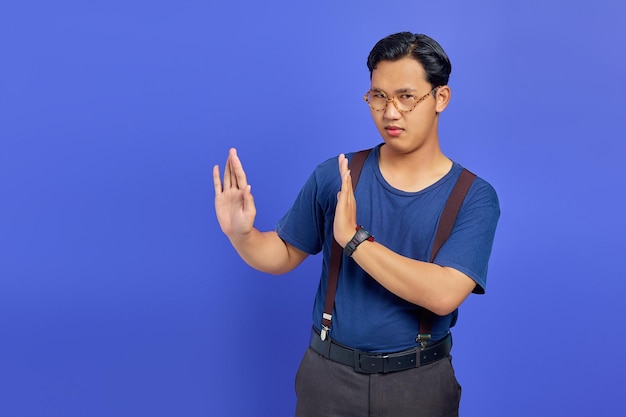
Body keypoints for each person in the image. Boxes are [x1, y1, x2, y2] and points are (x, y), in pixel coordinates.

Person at [213, 32, 500, 417]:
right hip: (328, 376)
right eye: (378, 96)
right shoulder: (336, 175)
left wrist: (354, 240)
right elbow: (281, 254)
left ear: (440, 99)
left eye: (406, 97)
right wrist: (241, 233)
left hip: (418, 382)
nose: (390, 112)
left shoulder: (474, 196)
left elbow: (443, 293)